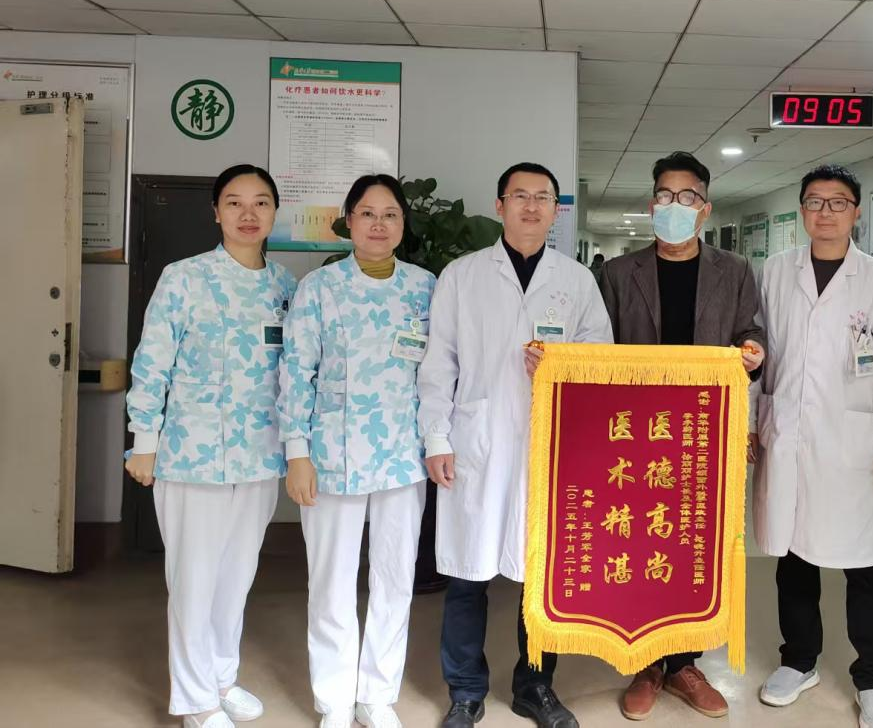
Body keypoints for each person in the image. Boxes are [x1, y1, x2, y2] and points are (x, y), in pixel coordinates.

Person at [419, 162, 612, 728]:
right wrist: (436, 436)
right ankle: (465, 691)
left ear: (555, 211)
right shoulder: (462, 275)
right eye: (520, 196)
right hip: (475, 441)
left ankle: (535, 686)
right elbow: (438, 363)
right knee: (466, 575)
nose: (531, 206)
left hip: (551, 444)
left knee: (541, 576)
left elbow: (601, 357)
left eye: (542, 197)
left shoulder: (577, 280)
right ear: (500, 205)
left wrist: (565, 364)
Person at [124, 164, 297, 728]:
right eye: (234, 202)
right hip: (190, 454)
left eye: (261, 202)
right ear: (216, 212)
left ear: (274, 212)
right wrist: (143, 439)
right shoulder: (184, 278)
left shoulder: (286, 287)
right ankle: (196, 700)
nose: (248, 214)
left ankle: (222, 677)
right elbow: (152, 360)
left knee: (236, 578)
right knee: (194, 581)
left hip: (260, 454)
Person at [598, 150, 765, 720]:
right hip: (637, 434)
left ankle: (685, 664)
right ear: (652, 206)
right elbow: (597, 347)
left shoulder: (734, 270)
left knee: (694, 543)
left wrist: (753, 351)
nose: (676, 205)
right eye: (666, 196)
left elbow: (750, 332)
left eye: (687, 196)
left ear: (705, 208)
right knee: (642, 541)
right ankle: (646, 663)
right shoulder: (618, 274)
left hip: (701, 432)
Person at [753, 165, 873, 728]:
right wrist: (749, 422)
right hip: (788, 436)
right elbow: (757, 354)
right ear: (801, 210)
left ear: (857, 211)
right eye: (815, 202)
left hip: (853, 442)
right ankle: (799, 660)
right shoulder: (775, 271)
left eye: (838, 202)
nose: (826, 212)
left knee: (865, 566)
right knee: (793, 558)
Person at [280, 174, 437, 728]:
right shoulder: (320, 288)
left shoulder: (425, 287)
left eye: (390, 214)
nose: (378, 224)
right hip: (331, 456)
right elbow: (295, 370)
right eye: (367, 213)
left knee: (395, 579)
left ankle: (377, 695)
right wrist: (297, 452)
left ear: (402, 224)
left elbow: (439, 371)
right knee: (331, 582)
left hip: (403, 455)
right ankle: (334, 698)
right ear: (348, 221)